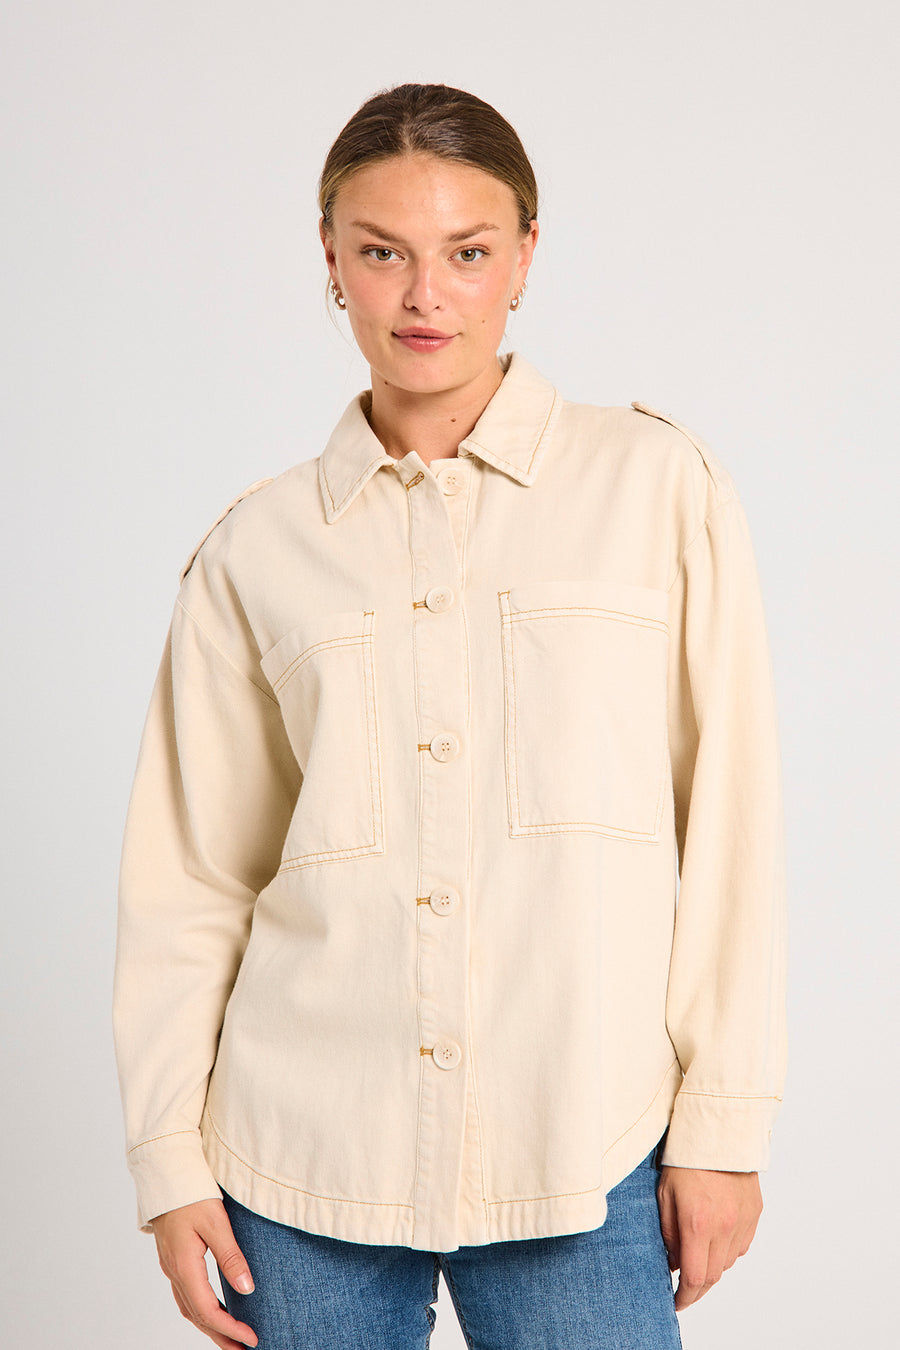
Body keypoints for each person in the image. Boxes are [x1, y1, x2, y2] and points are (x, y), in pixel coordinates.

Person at [112, 82, 788, 1350]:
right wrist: (168, 1162)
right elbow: (193, 879)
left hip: (582, 1147)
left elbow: (732, 826)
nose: (425, 297)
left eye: (467, 254)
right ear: (331, 262)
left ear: (525, 257)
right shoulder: (256, 548)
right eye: (383, 253)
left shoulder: (658, 490)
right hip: (297, 1160)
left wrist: (725, 1127)